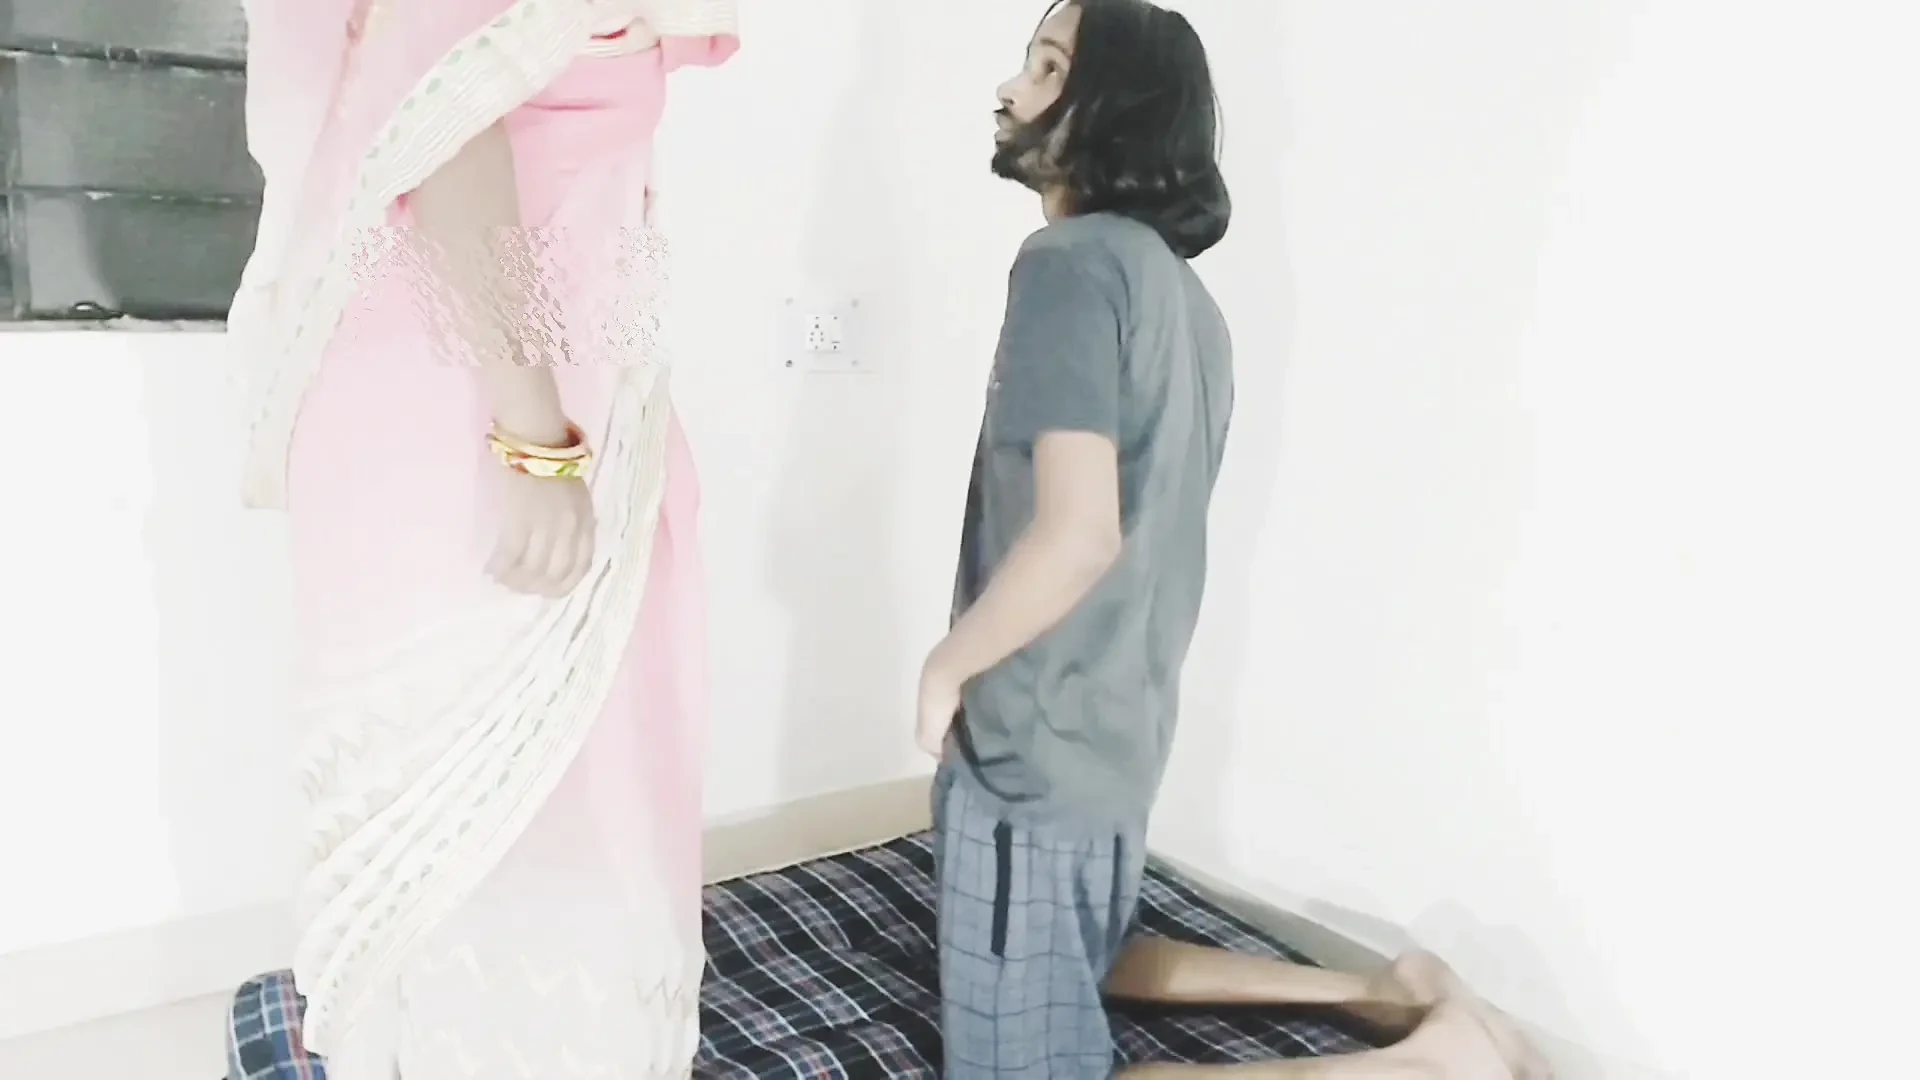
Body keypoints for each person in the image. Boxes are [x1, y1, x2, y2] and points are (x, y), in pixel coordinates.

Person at [915, 2, 1550, 1077]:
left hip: (1030, 753)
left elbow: (1079, 536)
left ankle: (1425, 1062)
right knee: (1092, 950)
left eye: (1049, 66)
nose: (1013, 88)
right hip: (1117, 746)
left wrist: (945, 669)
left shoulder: (1066, 265)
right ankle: (1377, 991)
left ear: (1114, 107)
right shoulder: (1190, 307)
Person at [228, 1, 737, 1076]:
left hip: (539, 414)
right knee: (498, 808)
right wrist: (537, 444)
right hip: (476, 424)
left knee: (535, 799)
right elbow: (445, 133)